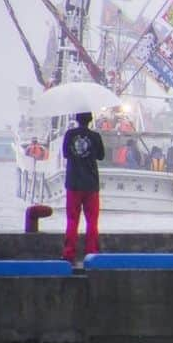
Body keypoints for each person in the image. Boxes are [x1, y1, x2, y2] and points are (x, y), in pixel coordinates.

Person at [61, 111, 105, 262]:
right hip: (91, 184)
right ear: (91, 120)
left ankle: (69, 254)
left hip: (73, 183)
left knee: (72, 220)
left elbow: (66, 154)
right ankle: (91, 253)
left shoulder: (69, 135)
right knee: (92, 221)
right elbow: (101, 156)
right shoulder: (95, 136)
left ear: (76, 119)